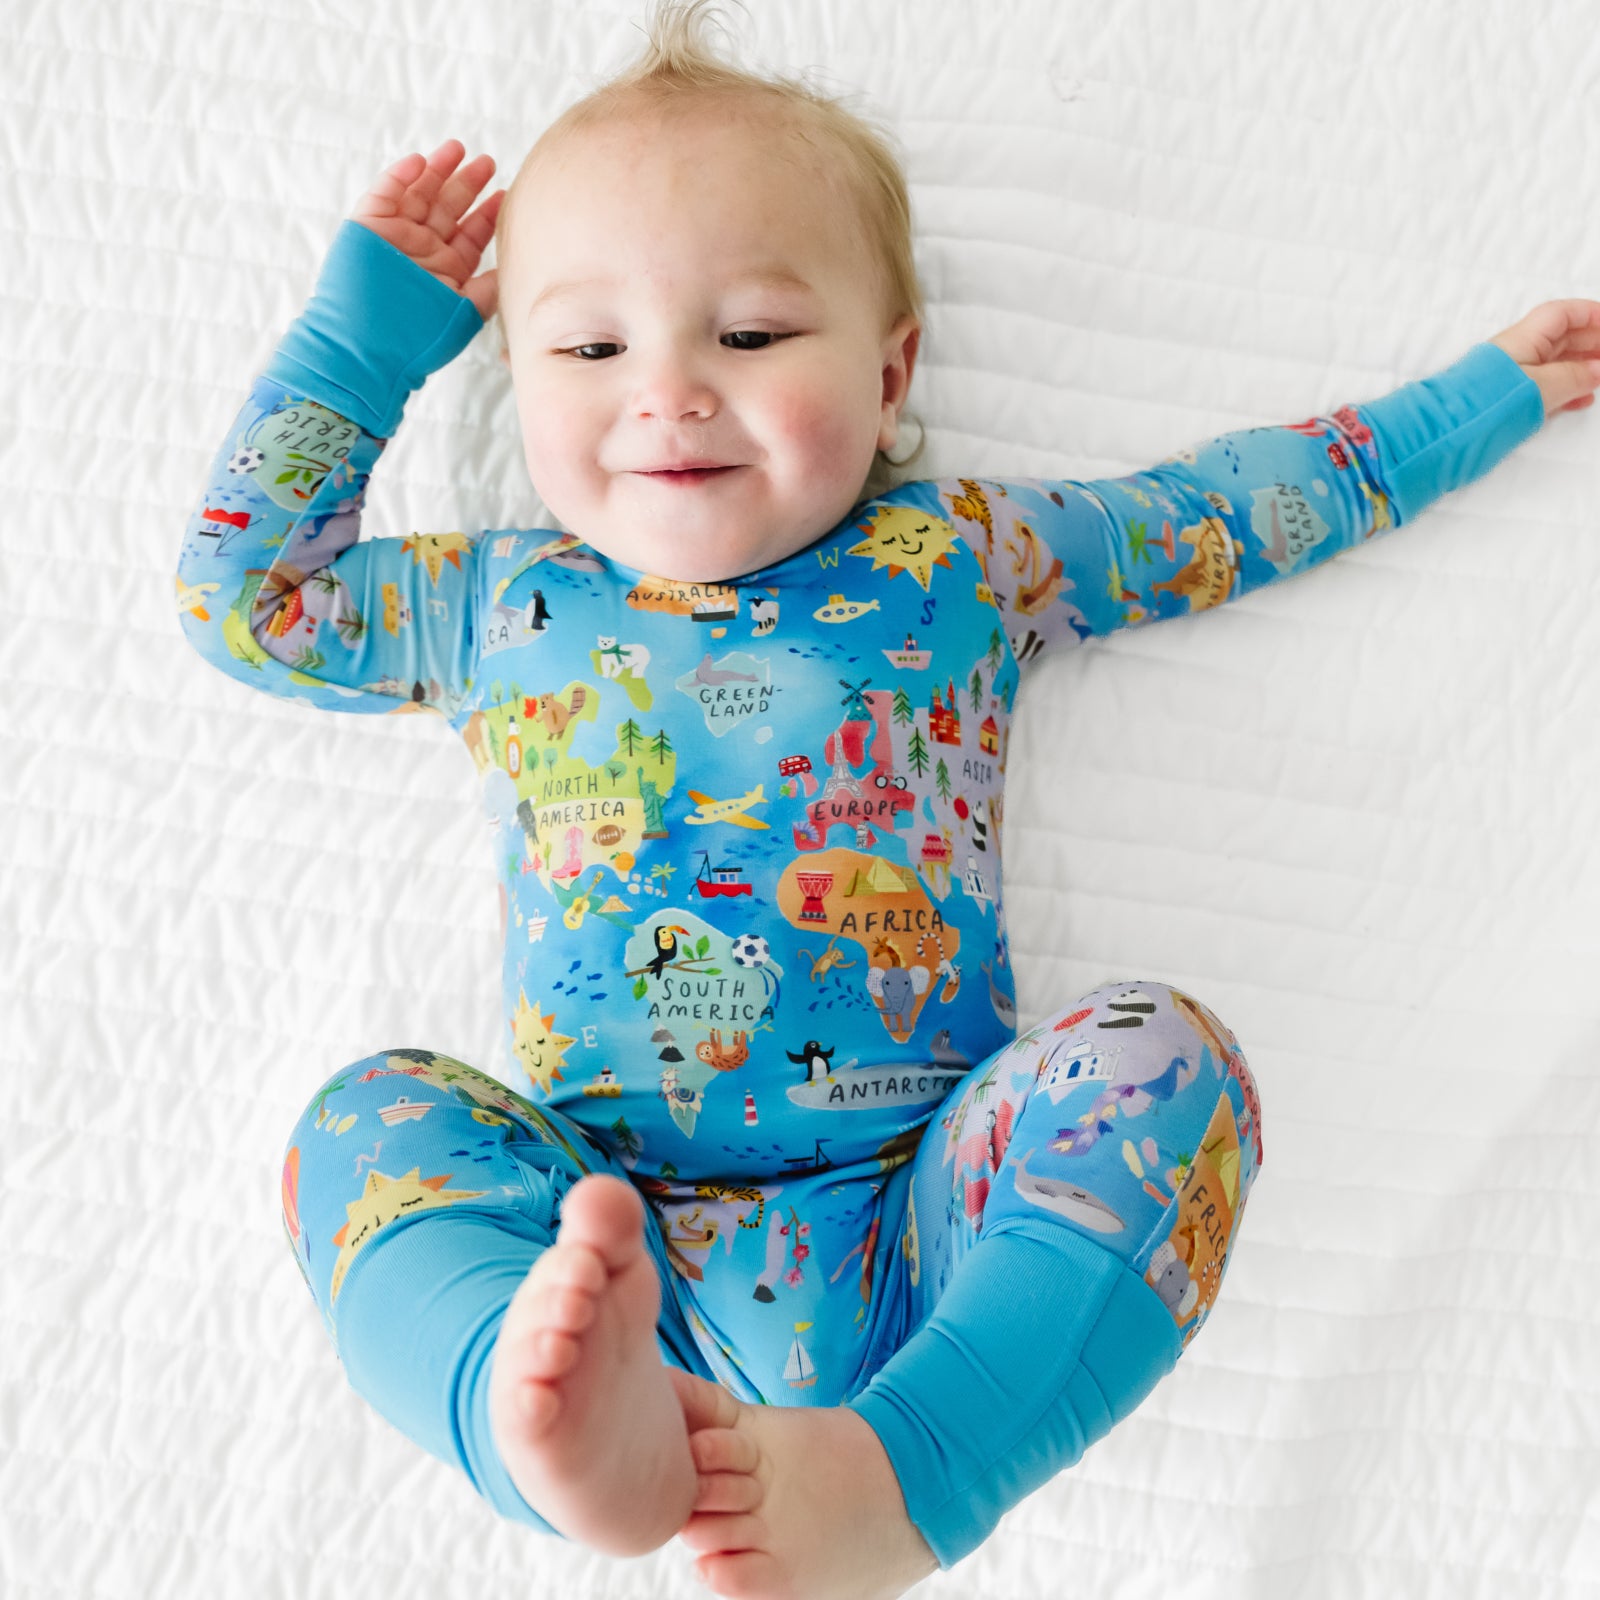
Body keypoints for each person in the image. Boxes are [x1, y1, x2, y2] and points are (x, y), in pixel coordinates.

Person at [173, 3, 1600, 1596]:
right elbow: (246, 597)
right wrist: (362, 343)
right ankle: (550, 1432)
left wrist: (1486, 398)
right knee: (358, 1127)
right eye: (588, 349)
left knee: (1169, 1066)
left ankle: (909, 1472)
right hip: (608, 1227)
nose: (672, 395)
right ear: (511, 379)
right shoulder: (491, 605)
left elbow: (1237, 510)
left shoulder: (966, 556)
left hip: (931, 1215)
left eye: (754, 335)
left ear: (892, 363)